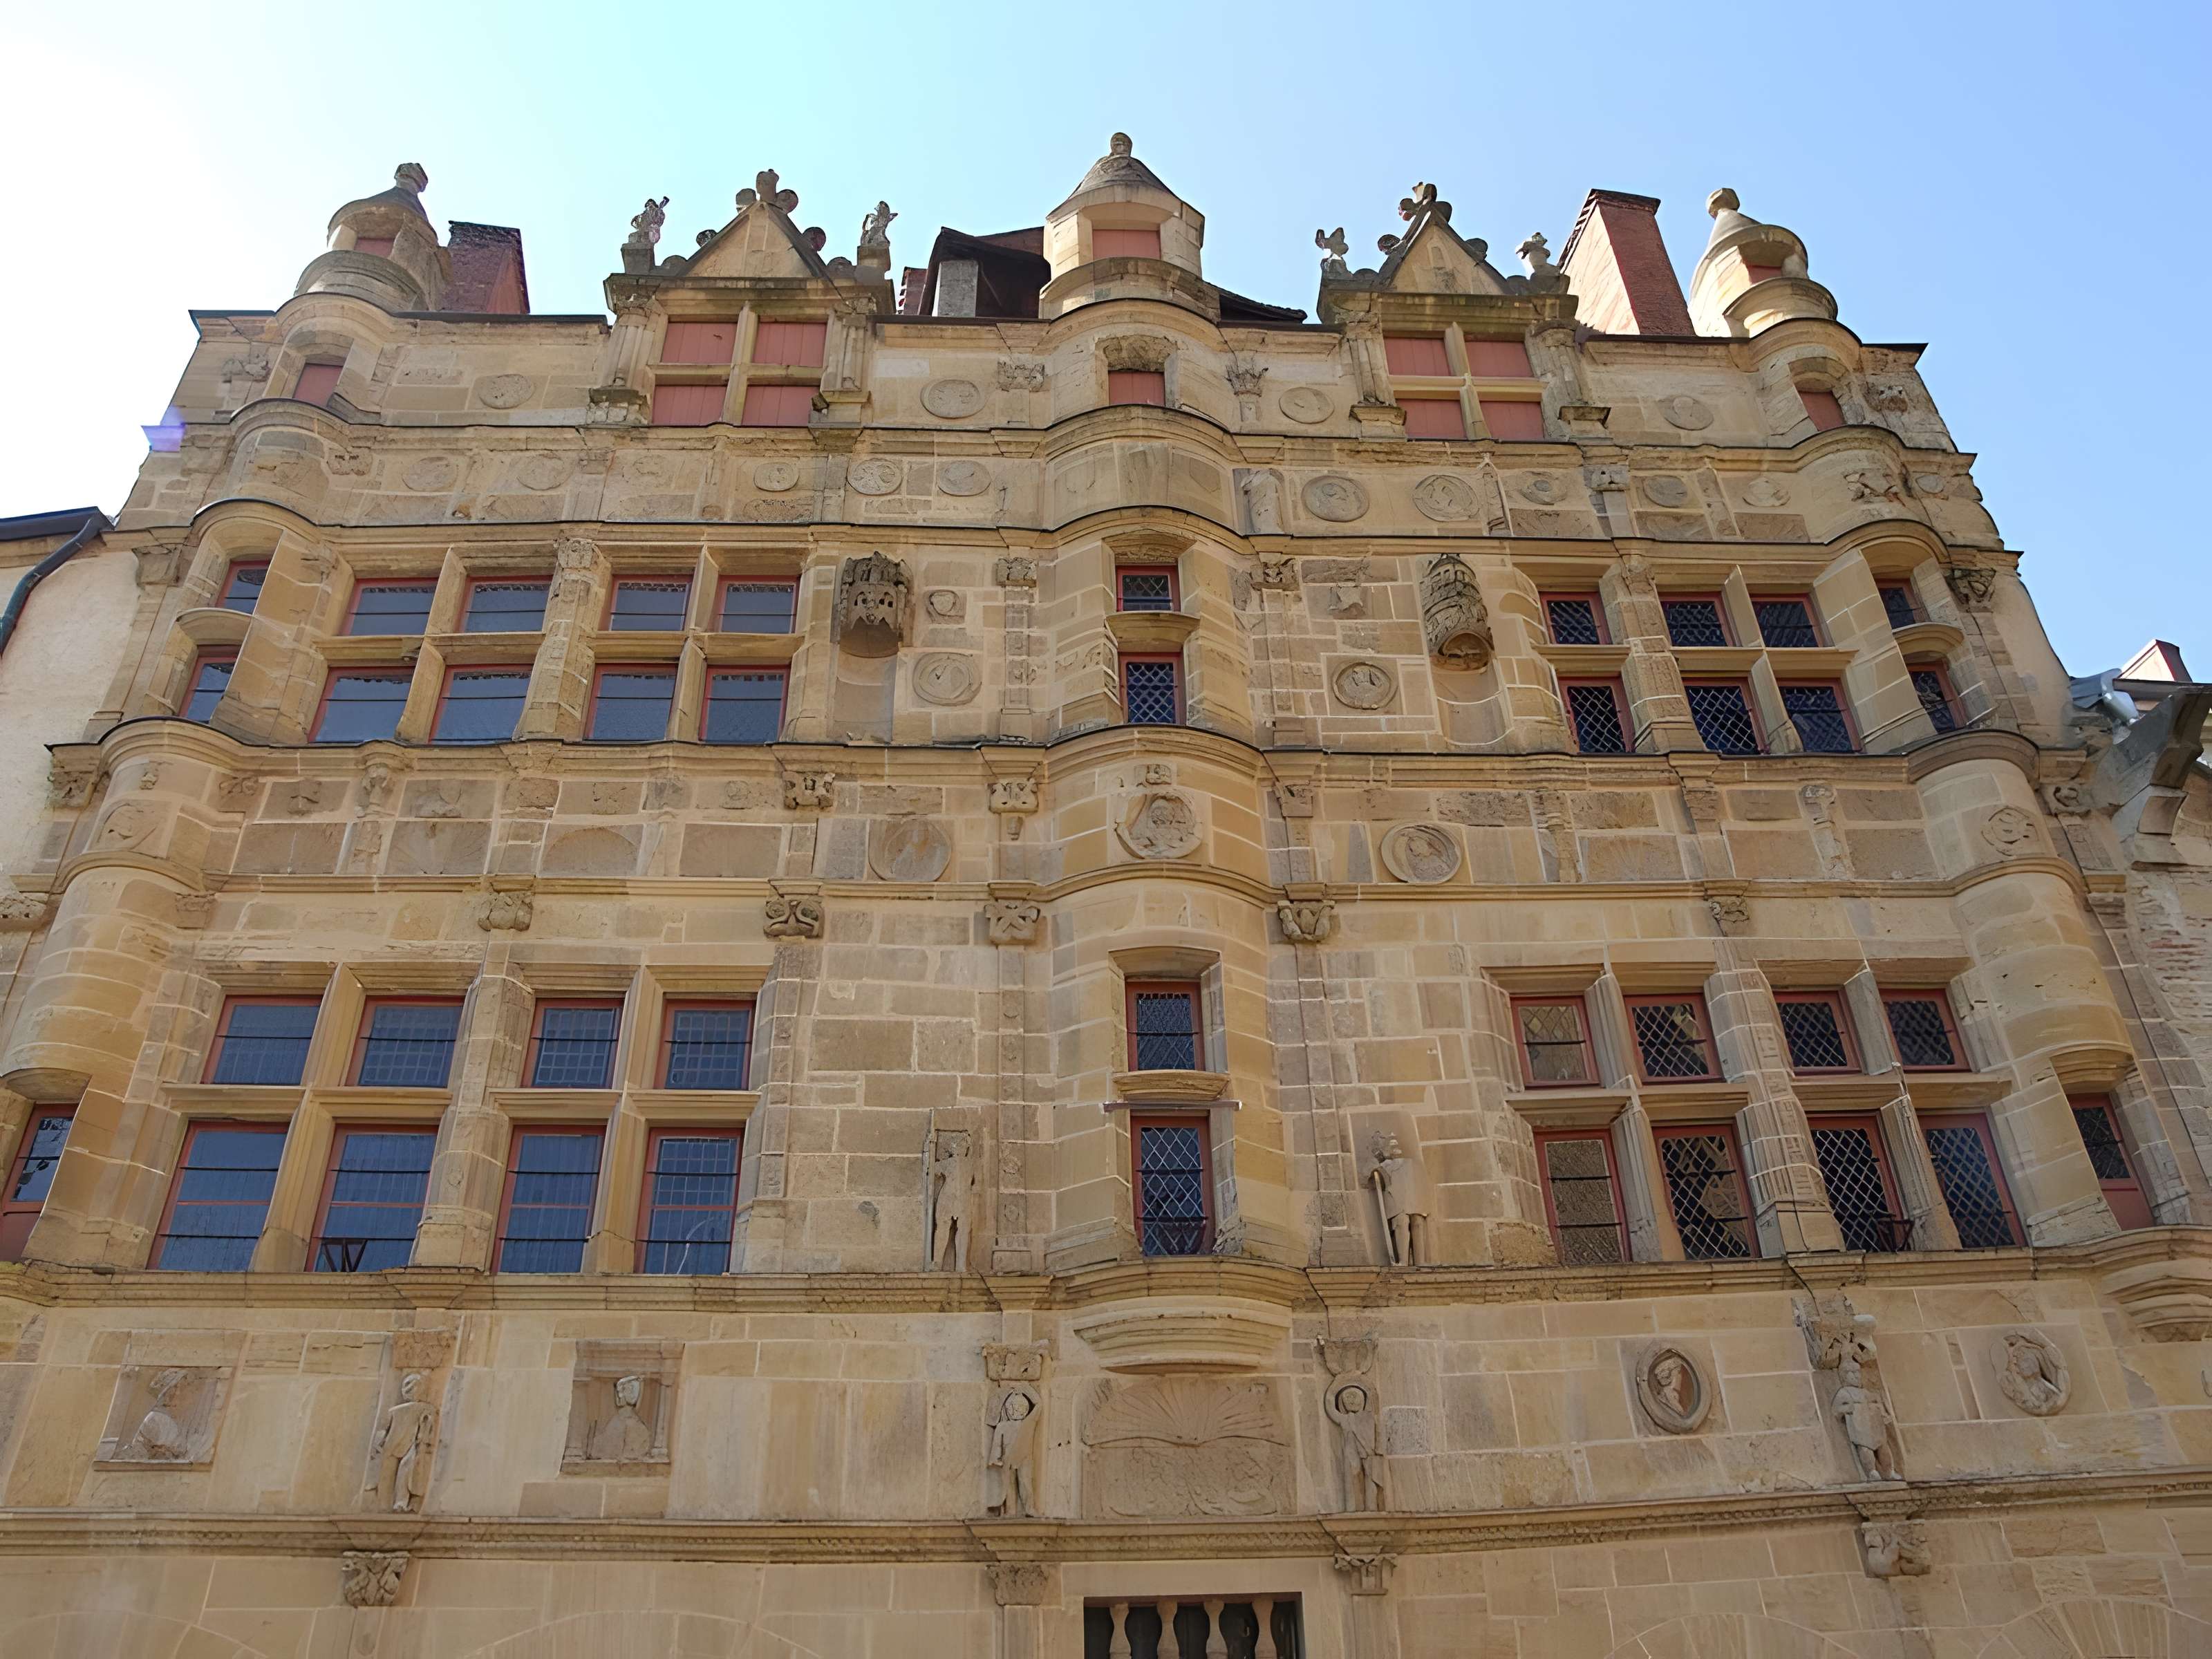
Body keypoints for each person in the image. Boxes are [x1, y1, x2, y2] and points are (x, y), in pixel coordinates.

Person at [1322, 1381, 1386, 1512]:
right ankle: (1352, 1508)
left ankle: (1372, 1508)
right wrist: (1335, 1386)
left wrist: (1377, 1452)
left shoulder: (1370, 1418)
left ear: (1362, 1399)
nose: (1351, 1401)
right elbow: (1331, 1409)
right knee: (1351, 1480)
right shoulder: (1345, 1419)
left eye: (1355, 1397)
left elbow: (1379, 1436)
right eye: (1348, 1398)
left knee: (1370, 1481)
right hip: (1351, 1454)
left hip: (1368, 1454)